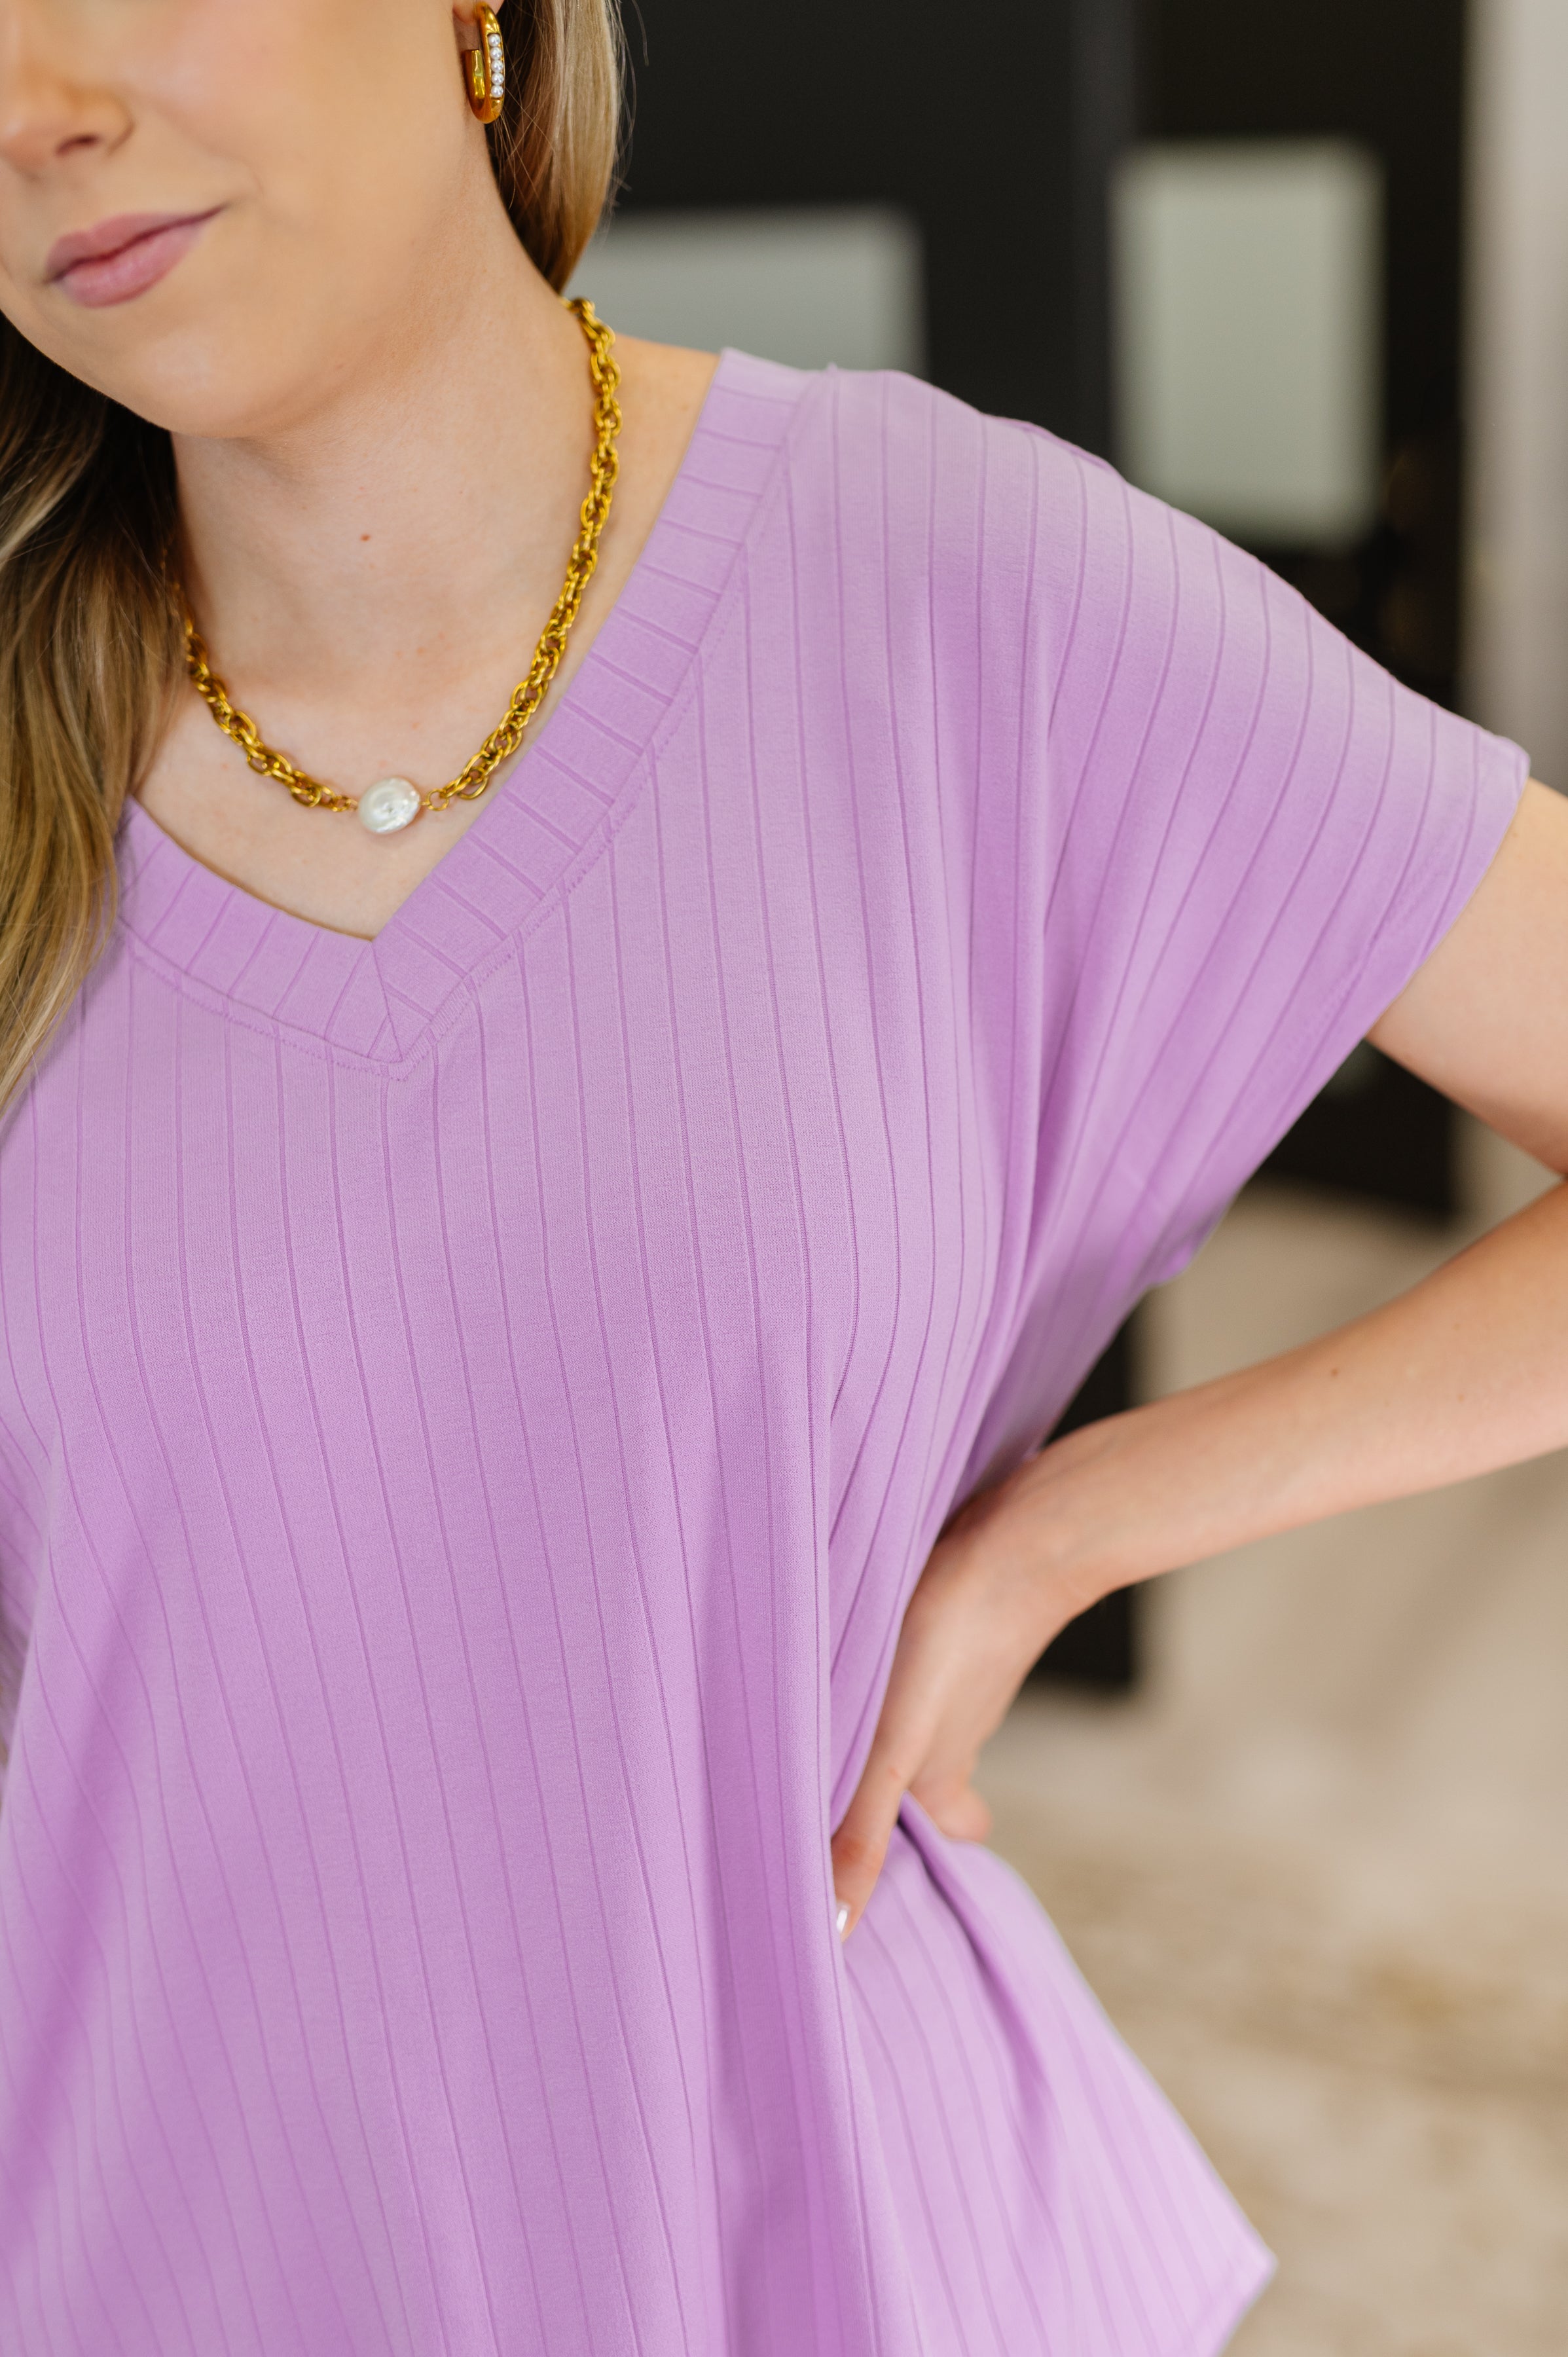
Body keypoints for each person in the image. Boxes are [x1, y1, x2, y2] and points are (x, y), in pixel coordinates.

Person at [0, 3, 1563, 2351]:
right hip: (137, 2243)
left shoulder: (956, 585)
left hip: (820, 2239)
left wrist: (1073, 1527)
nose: (37, 108)